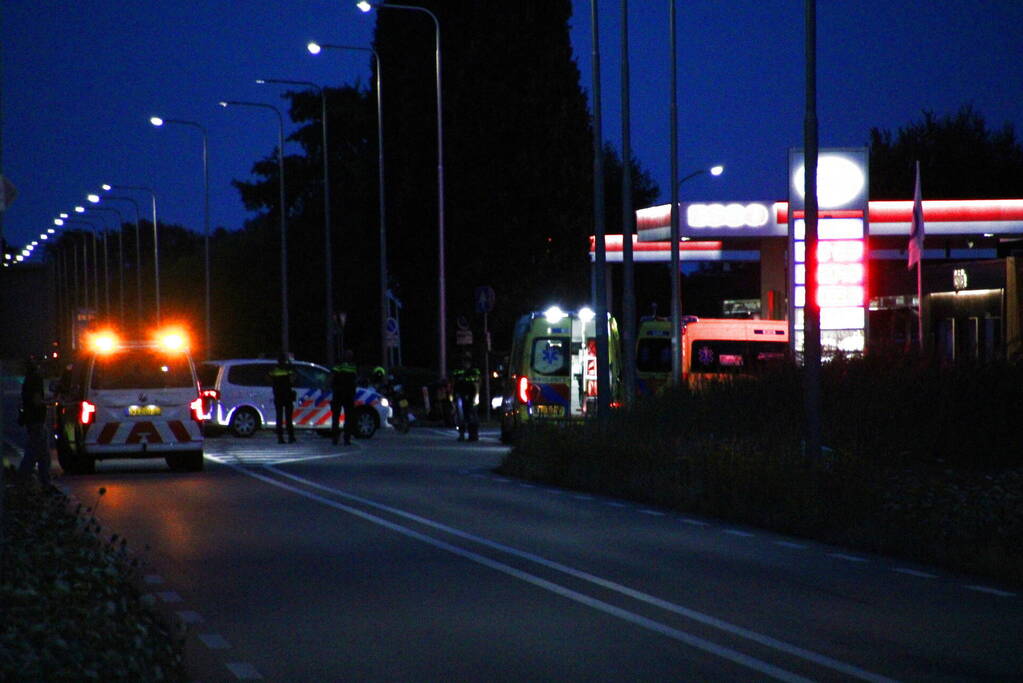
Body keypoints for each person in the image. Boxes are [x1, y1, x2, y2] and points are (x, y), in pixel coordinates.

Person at [17, 358, 51, 486]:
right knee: (33, 452)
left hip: (32, 420)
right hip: (37, 420)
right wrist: (50, 402)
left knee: (43, 454)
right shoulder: (36, 379)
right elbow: (37, 401)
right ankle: (22, 479)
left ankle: (45, 482)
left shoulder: (28, 380)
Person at [330, 350, 358, 446]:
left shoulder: (339, 364)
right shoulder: (352, 365)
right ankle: (346, 438)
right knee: (348, 417)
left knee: (336, 417)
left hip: (339, 393)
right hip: (348, 394)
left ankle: (336, 438)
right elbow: (354, 379)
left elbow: (333, 376)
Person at [452, 353, 481, 442]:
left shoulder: (474, 371)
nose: (465, 363)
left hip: (471, 396)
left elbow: (477, 383)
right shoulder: (458, 370)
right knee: (460, 416)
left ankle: (473, 434)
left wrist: (476, 396)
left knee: (472, 415)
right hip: (460, 395)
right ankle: (461, 434)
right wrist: (453, 396)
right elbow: (454, 383)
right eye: (464, 361)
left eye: (467, 361)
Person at [268, 354, 296, 444]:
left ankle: (280, 438)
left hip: (278, 396)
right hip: (287, 395)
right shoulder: (288, 369)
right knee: (288, 418)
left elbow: (268, 378)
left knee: (279, 417)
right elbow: (293, 378)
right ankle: (291, 437)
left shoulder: (274, 370)